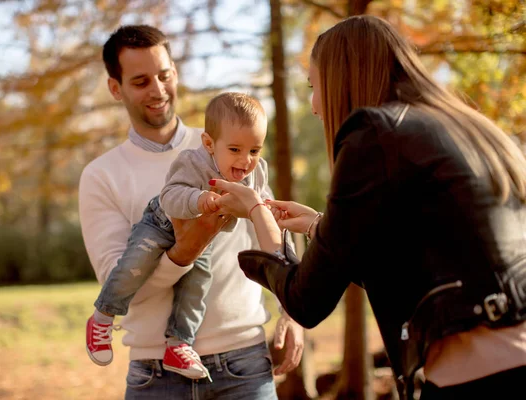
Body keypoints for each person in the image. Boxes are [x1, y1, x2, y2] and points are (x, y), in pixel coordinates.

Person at [209, 15, 526, 400]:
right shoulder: (469, 127)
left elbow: (306, 300)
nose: (312, 105)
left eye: (314, 86)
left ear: (343, 77)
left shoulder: (372, 133)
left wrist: (257, 212)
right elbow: (422, 256)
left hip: (481, 378)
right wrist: (317, 226)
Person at [78, 24, 304, 399]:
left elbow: (272, 227)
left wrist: (292, 311)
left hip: (245, 364)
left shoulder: (233, 144)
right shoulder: (101, 176)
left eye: (164, 75)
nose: (158, 90)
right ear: (115, 88)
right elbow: (120, 283)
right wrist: (185, 251)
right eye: (140, 81)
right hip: (155, 377)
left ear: (175, 73)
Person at [85, 91, 273, 382]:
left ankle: (179, 343)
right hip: (160, 225)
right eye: (235, 150)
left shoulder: (256, 173)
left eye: (254, 150)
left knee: (196, 287)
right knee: (136, 264)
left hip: (204, 238)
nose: (246, 160)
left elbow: (259, 205)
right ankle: (103, 316)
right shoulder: (193, 161)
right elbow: (170, 196)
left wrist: (271, 212)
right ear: (209, 144)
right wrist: (199, 200)